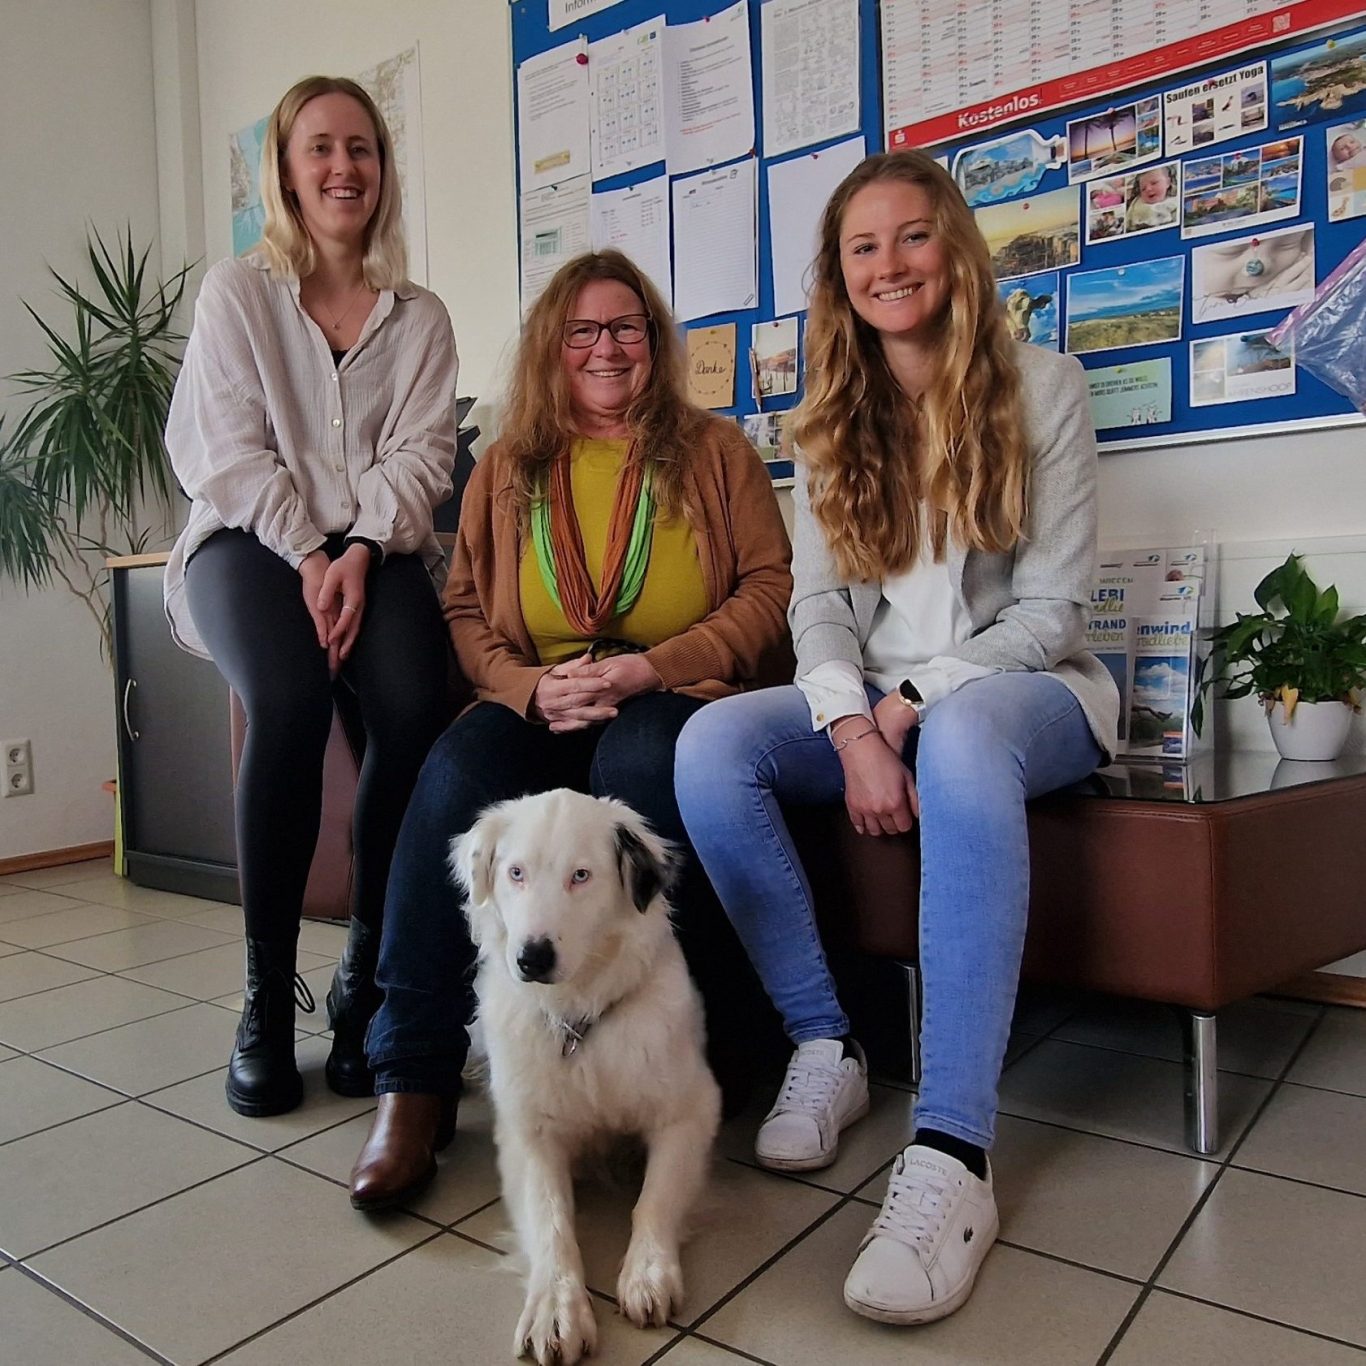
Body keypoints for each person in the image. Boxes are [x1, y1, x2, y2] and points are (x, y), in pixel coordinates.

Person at [674, 150, 1119, 1326]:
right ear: (840, 276)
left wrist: (912, 704)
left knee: (963, 737)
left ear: (954, 248)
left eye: (911, 235)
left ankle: (952, 1149)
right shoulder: (829, 422)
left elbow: (1052, 612)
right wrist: (852, 726)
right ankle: (826, 1043)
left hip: (1024, 694)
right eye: (862, 247)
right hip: (873, 702)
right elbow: (818, 608)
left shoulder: (1045, 388)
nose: (889, 264)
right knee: (712, 745)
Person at [348, 250, 793, 1210]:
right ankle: (412, 1079)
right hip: (540, 695)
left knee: (641, 762)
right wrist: (528, 688)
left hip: (671, 689)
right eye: (583, 330)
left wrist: (653, 667)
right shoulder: (507, 466)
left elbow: (767, 588)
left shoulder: (716, 452)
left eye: (627, 327)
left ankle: (691, 1052)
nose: (606, 348)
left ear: (654, 343)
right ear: (553, 346)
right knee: (457, 771)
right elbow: (467, 610)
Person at [164, 76, 459, 1118]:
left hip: (374, 545)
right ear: (285, 172)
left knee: (417, 708)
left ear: (384, 169)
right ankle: (264, 1000)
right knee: (287, 701)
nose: (344, 167)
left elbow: (425, 457)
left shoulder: (420, 318)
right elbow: (224, 452)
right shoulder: (236, 294)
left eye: (362, 148)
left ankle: (364, 976)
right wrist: (306, 552)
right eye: (321, 148)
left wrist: (360, 548)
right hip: (248, 540)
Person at [1124, 164, 1177, 231]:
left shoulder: (1174, 203)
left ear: (1168, 182)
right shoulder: (1137, 206)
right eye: (1143, 189)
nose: (1148, 189)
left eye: (1154, 183)